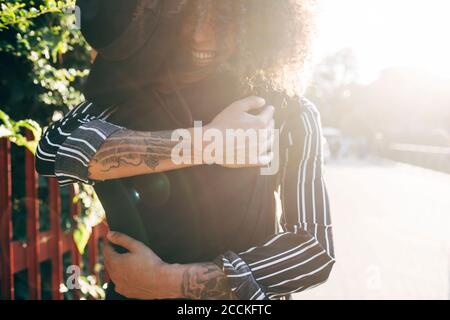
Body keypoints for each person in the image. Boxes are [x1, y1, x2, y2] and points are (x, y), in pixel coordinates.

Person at [36, 0, 335, 300]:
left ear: (258, 21)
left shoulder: (289, 111)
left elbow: (313, 251)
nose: (200, 35)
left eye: (221, 17)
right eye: (189, 14)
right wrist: (206, 143)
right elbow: (52, 151)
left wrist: (166, 281)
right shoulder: (132, 92)